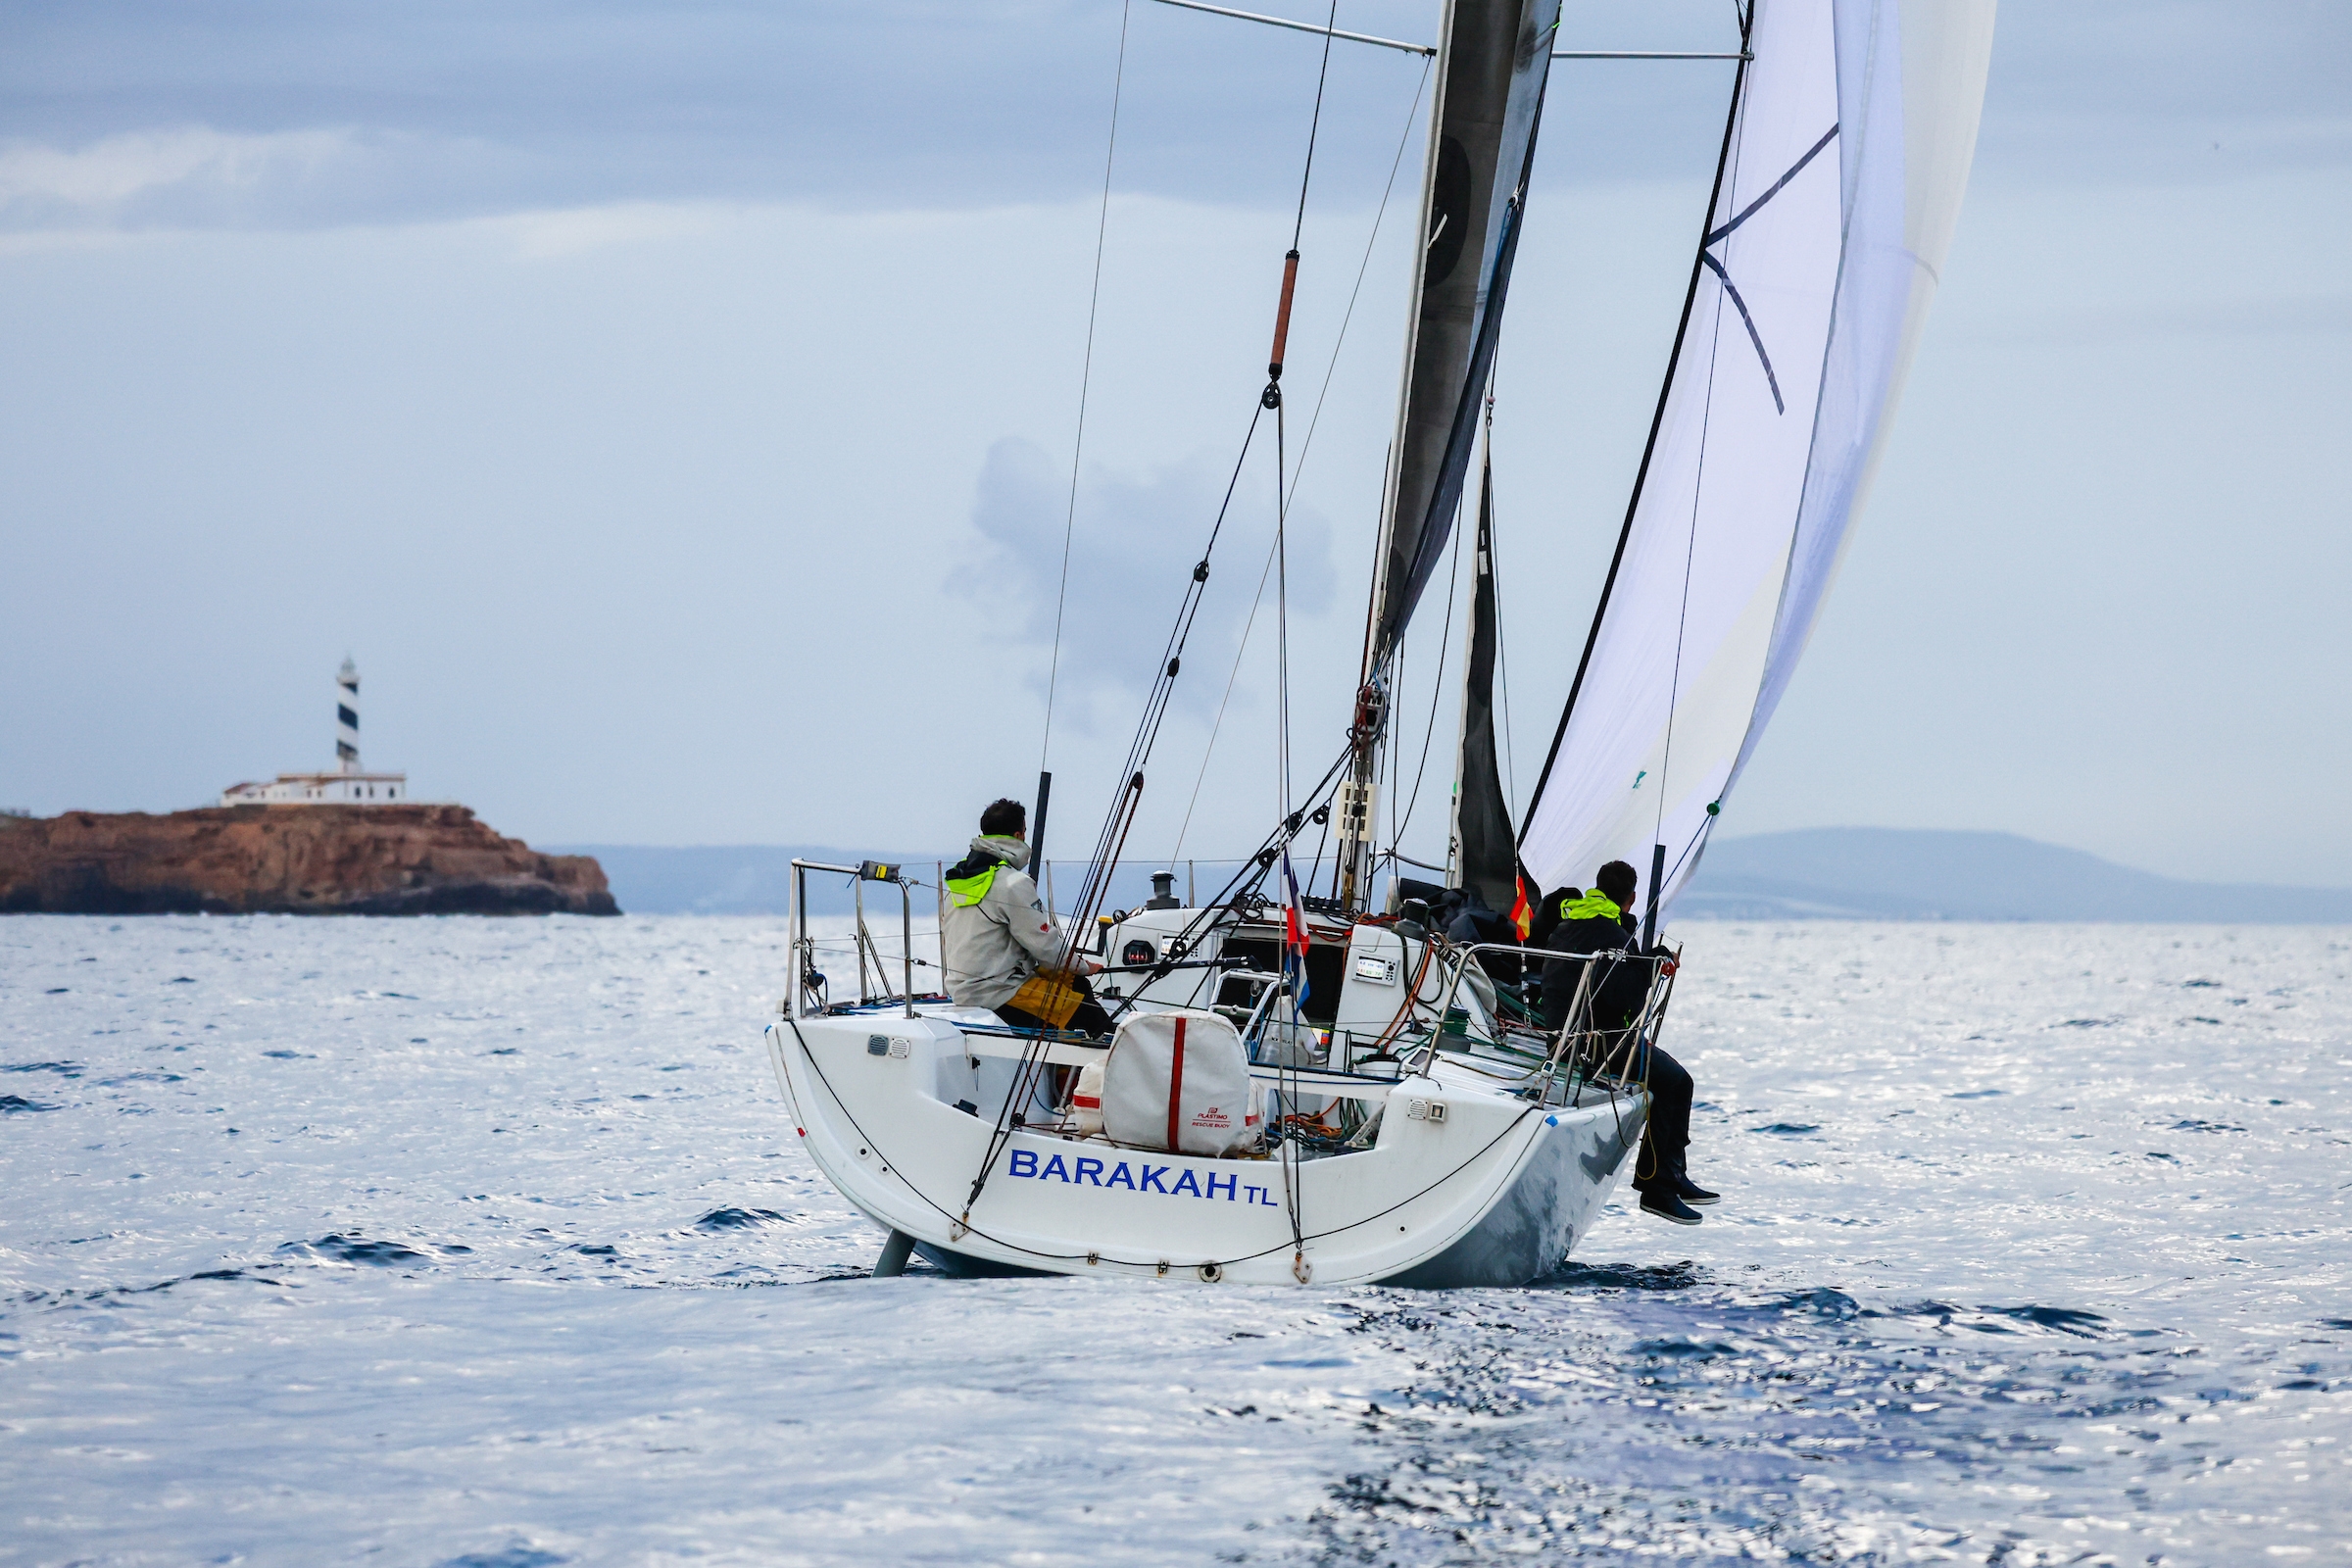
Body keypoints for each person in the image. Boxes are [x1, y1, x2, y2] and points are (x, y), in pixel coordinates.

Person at [1535, 858, 1717, 1226]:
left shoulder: (1572, 920)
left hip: (1560, 1038)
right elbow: (1622, 1000)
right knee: (1677, 1083)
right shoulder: (1612, 934)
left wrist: (1641, 959)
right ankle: (1660, 1188)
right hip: (1596, 1047)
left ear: (1598, 887)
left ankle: (1673, 1175)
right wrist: (1649, 967)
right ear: (1632, 898)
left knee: (1668, 1078)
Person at [940, 797, 1113, 1036]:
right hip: (999, 992)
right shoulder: (1013, 883)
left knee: (1075, 984)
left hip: (963, 990)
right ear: (1019, 835)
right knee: (1088, 1015)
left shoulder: (959, 880)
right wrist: (1083, 966)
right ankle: (1078, 1067)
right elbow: (1046, 947)